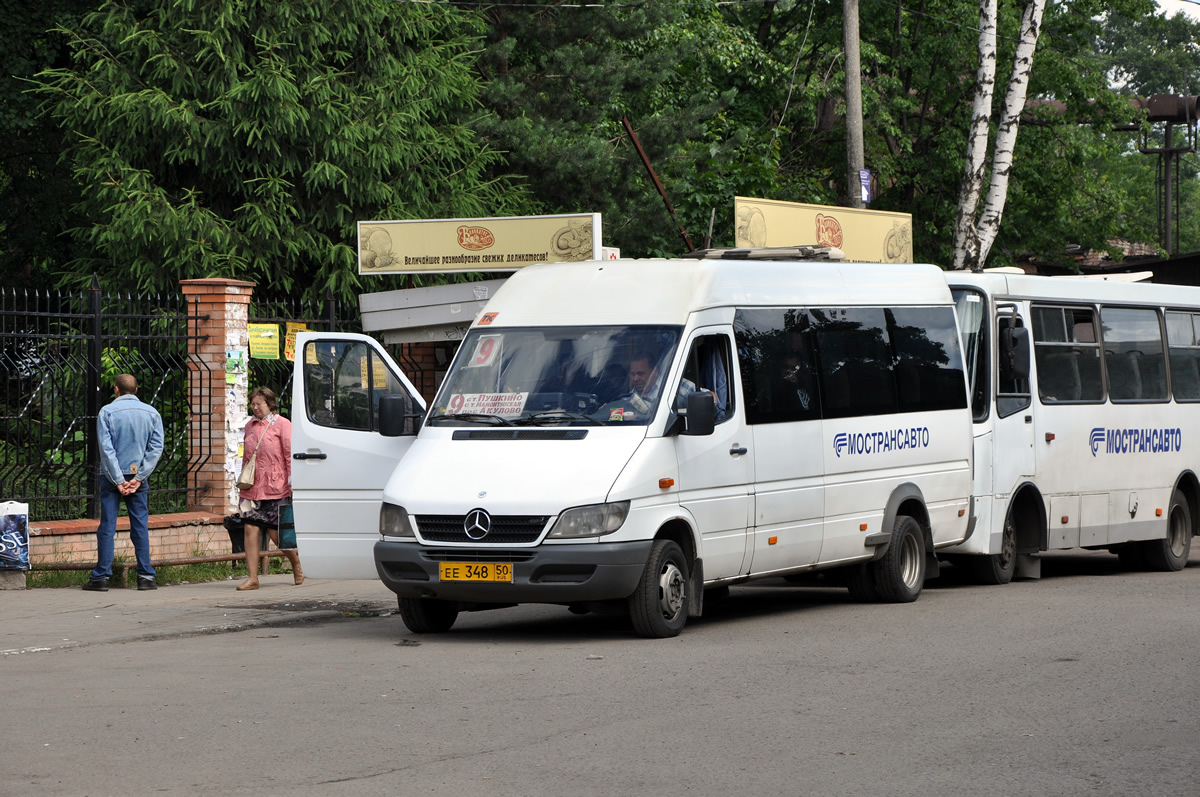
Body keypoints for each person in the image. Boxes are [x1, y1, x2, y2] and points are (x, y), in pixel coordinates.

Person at [83, 373, 165, 592]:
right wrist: (138, 478)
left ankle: (101, 577)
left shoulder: (107, 412)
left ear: (116, 389)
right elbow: (155, 449)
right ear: (136, 390)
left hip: (112, 478)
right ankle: (146, 576)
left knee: (107, 526)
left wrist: (118, 479)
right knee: (140, 524)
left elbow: (106, 449)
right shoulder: (152, 413)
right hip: (139, 477)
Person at [236, 387, 303, 591]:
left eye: (259, 404)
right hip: (252, 488)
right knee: (250, 529)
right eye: (253, 404)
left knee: (277, 535)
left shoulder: (282, 424)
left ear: (270, 404)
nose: (255, 408)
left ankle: (296, 563)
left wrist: (292, 481)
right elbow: (248, 458)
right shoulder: (249, 426)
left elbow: (289, 454)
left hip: (276, 486)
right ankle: (253, 577)